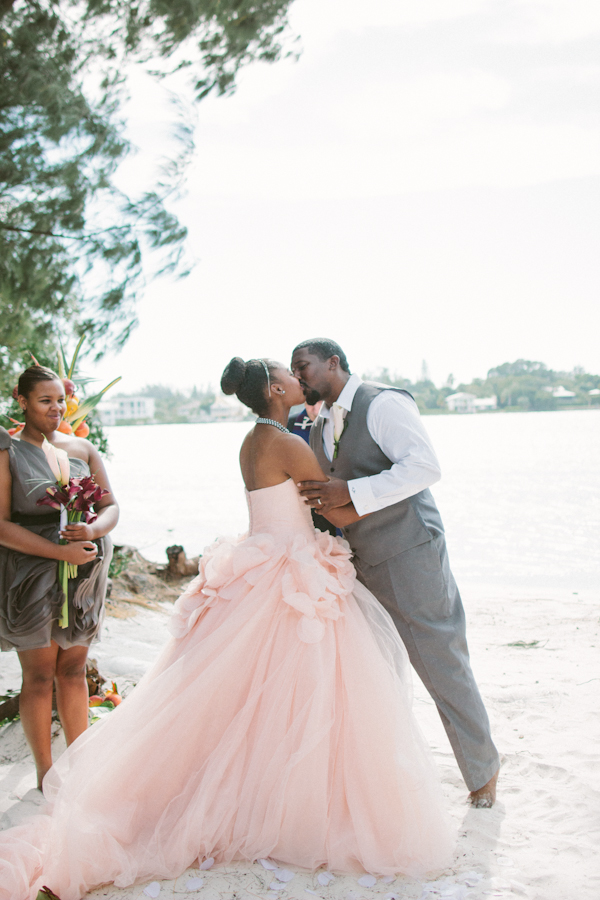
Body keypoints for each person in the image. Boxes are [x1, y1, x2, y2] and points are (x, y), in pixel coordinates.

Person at [0, 357, 453, 900]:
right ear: (276, 389)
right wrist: (395, 507)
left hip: (263, 562)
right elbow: (335, 510)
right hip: (292, 568)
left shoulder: (254, 439)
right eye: (288, 375)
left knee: (248, 693)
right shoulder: (288, 443)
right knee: (304, 687)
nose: (296, 379)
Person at [290, 338, 500, 808]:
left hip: (409, 553)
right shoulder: (316, 419)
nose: (297, 375)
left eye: (302, 366)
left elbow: (425, 467)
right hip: (358, 563)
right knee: (373, 670)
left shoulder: (383, 403)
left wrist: (351, 491)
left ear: (333, 362)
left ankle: (483, 772)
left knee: (439, 659)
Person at [0, 365, 118, 790]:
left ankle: (80, 770)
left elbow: (111, 506)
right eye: (44, 400)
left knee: (73, 670)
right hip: (30, 576)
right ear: (23, 400)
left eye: (59, 400)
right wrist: (57, 551)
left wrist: (91, 531)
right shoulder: (7, 450)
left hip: (83, 575)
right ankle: (46, 776)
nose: (55, 408)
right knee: (37, 676)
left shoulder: (82, 448)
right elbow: (0, 525)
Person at [287, 400, 337, 536]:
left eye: (319, 402)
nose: (315, 409)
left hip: (336, 496)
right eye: (310, 404)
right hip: (303, 503)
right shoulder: (290, 424)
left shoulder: (340, 422)